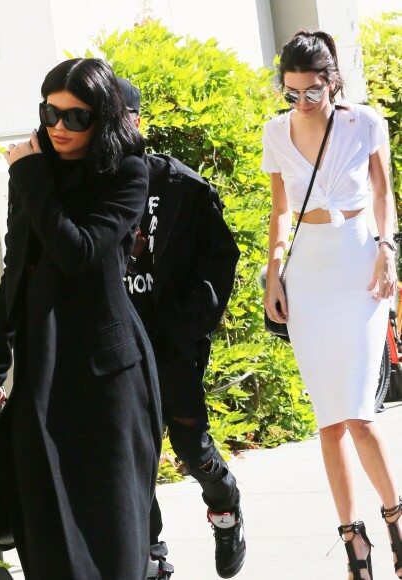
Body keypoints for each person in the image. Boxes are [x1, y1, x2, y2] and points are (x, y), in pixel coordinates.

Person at [0, 59, 162, 580]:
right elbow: (19, 268)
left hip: (107, 378)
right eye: (50, 112)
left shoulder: (127, 172)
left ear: (103, 119)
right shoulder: (36, 174)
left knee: (111, 533)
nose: (59, 126)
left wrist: (31, 176)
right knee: (46, 530)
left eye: (76, 118)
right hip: (43, 369)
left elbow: (76, 252)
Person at [262, 30, 401, 580]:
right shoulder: (276, 131)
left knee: (360, 418)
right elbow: (278, 213)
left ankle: (394, 518)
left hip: (359, 268)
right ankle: (354, 541)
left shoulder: (364, 122)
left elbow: (385, 194)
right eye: (291, 92)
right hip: (309, 276)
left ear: (332, 81)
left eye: (311, 91)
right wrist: (274, 274)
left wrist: (387, 252)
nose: (302, 101)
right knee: (328, 423)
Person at [117, 78, 246, 579]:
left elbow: (219, 262)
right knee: (134, 456)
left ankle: (224, 502)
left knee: (191, 449)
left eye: (119, 118)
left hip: (169, 346)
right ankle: (152, 556)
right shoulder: (85, 190)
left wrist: (183, 324)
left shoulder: (181, 186)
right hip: (119, 344)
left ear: (137, 121)